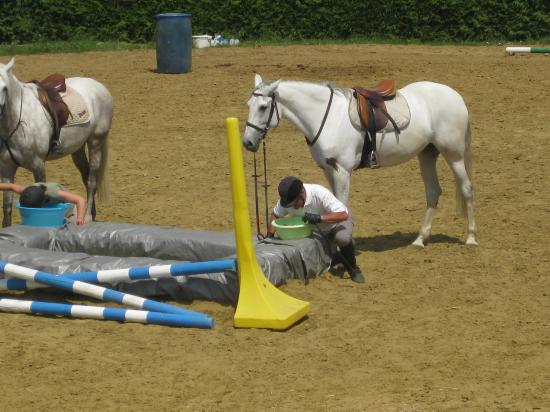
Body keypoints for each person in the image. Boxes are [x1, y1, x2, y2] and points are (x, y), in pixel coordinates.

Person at [266, 176, 365, 283]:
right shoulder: (288, 199)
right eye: (290, 205)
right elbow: (275, 215)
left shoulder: (319, 193)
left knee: (342, 238)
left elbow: (342, 214)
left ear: (302, 193)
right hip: (315, 229)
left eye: (295, 203)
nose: (293, 207)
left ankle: (353, 268)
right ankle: (336, 255)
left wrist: (319, 218)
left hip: (337, 222)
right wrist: (269, 236)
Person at [0, 182, 87, 225]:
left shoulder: (54, 193)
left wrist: (80, 218)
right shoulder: (26, 191)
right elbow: (10, 186)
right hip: (48, 209)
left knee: (72, 225)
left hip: (67, 209)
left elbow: (80, 200)